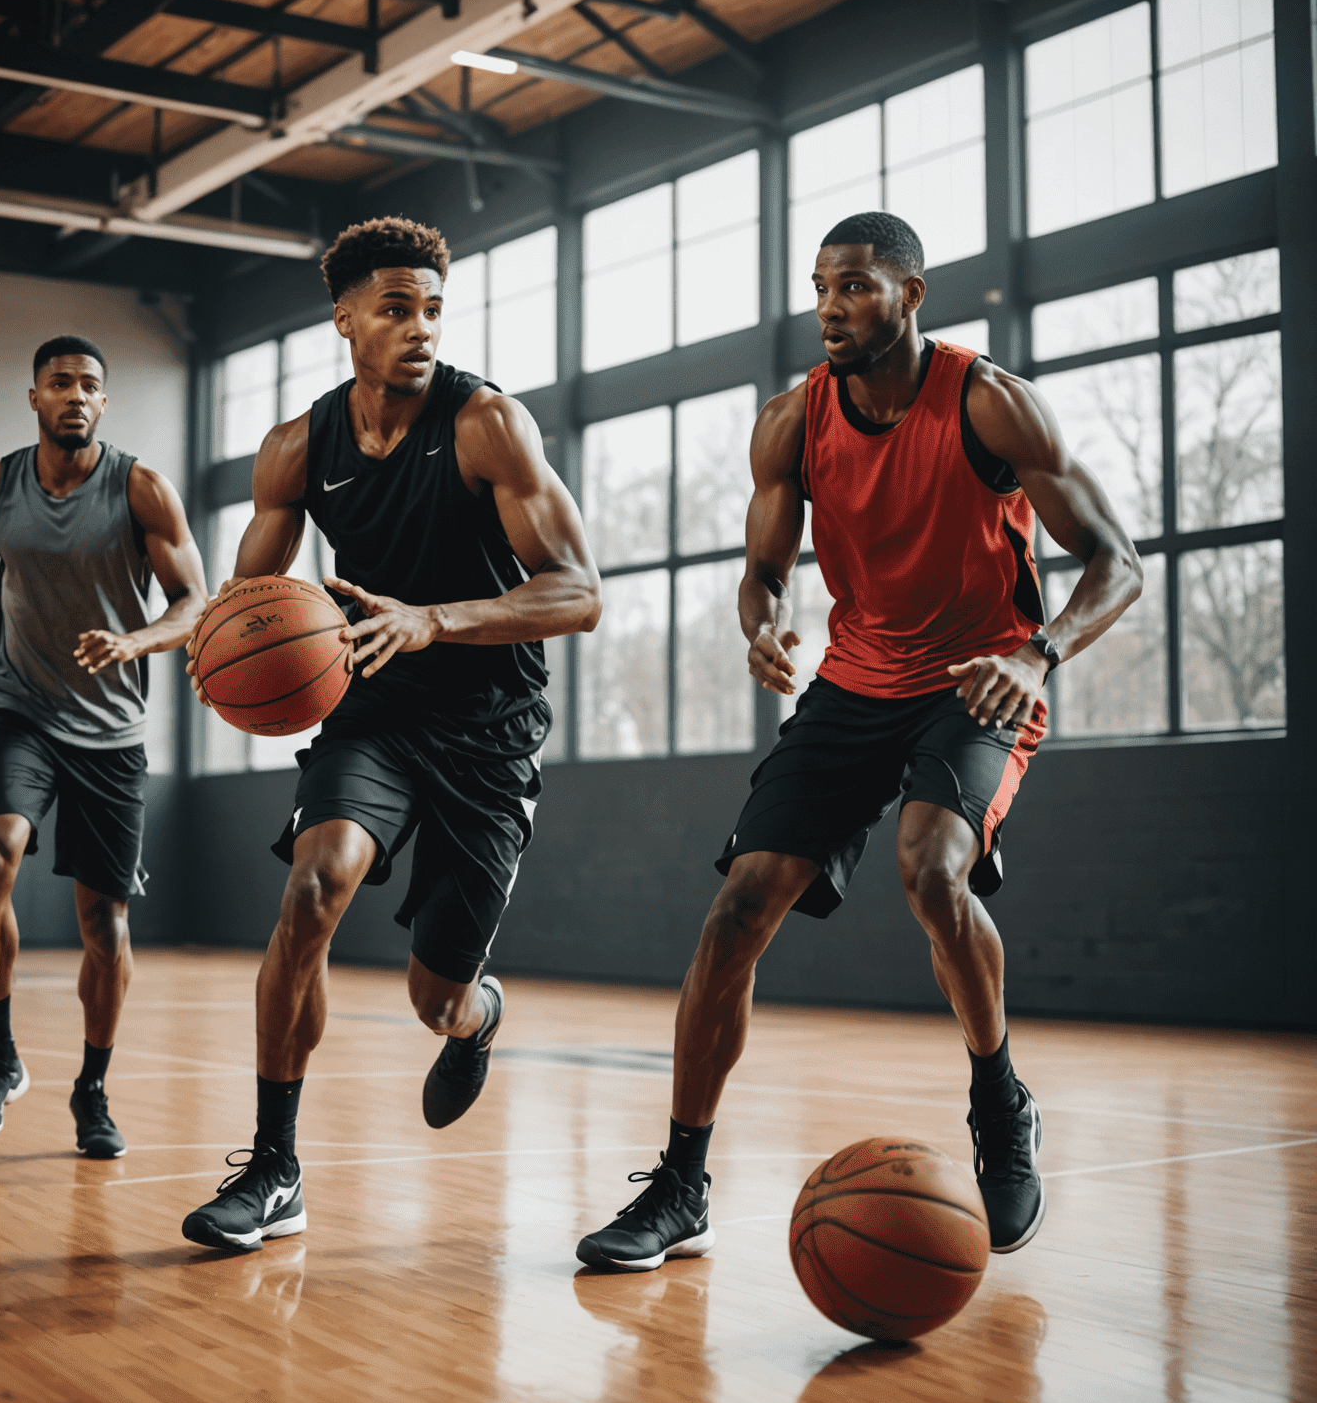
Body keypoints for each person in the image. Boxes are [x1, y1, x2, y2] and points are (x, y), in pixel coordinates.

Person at [577, 211, 1144, 1270]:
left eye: (857, 286)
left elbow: (1117, 560)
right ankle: (682, 1182)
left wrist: (1041, 655)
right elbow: (762, 567)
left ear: (911, 296)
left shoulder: (989, 402)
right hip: (854, 681)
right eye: (821, 287)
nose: (833, 306)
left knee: (931, 872)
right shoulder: (792, 420)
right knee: (739, 905)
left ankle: (998, 1097)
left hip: (979, 677)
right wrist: (761, 623)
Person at [180, 216, 601, 1252]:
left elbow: (579, 592)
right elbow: (244, 600)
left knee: (432, 994)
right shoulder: (297, 448)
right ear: (345, 320)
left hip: (489, 725)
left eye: (433, 309)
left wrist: (435, 619)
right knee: (314, 886)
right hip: (373, 703)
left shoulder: (487, 426)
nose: (421, 328)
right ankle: (275, 1168)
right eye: (396, 308)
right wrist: (198, 649)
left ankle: (477, 1013)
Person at [0, 336, 208, 1156]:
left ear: (105, 403)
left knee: (104, 925)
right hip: (19, 706)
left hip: (112, 728)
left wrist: (138, 644)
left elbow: (193, 601)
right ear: (33, 397)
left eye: (91, 385)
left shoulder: (141, 488)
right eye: (60, 382)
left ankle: (93, 1088)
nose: (76, 394)